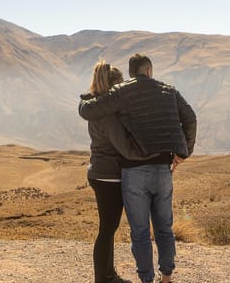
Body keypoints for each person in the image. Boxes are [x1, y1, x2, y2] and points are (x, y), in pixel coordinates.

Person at [79, 54, 197, 283]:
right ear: (149, 70)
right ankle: (166, 277)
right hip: (158, 169)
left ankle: (143, 279)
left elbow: (88, 111)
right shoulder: (167, 90)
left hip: (130, 172)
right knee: (163, 227)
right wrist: (180, 152)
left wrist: (83, 102)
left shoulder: (118, 96)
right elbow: (190, 118)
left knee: (139, 231)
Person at [81, 61, 154, 283]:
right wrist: (150, 155)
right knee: (107, 230)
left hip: (99, 172)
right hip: (109, 175)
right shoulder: (109, 116)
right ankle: (103, 278)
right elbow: (124, 148)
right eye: (121, 85)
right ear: (115, 86)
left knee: (108, 229)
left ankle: (108, 275)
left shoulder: (96, 107)